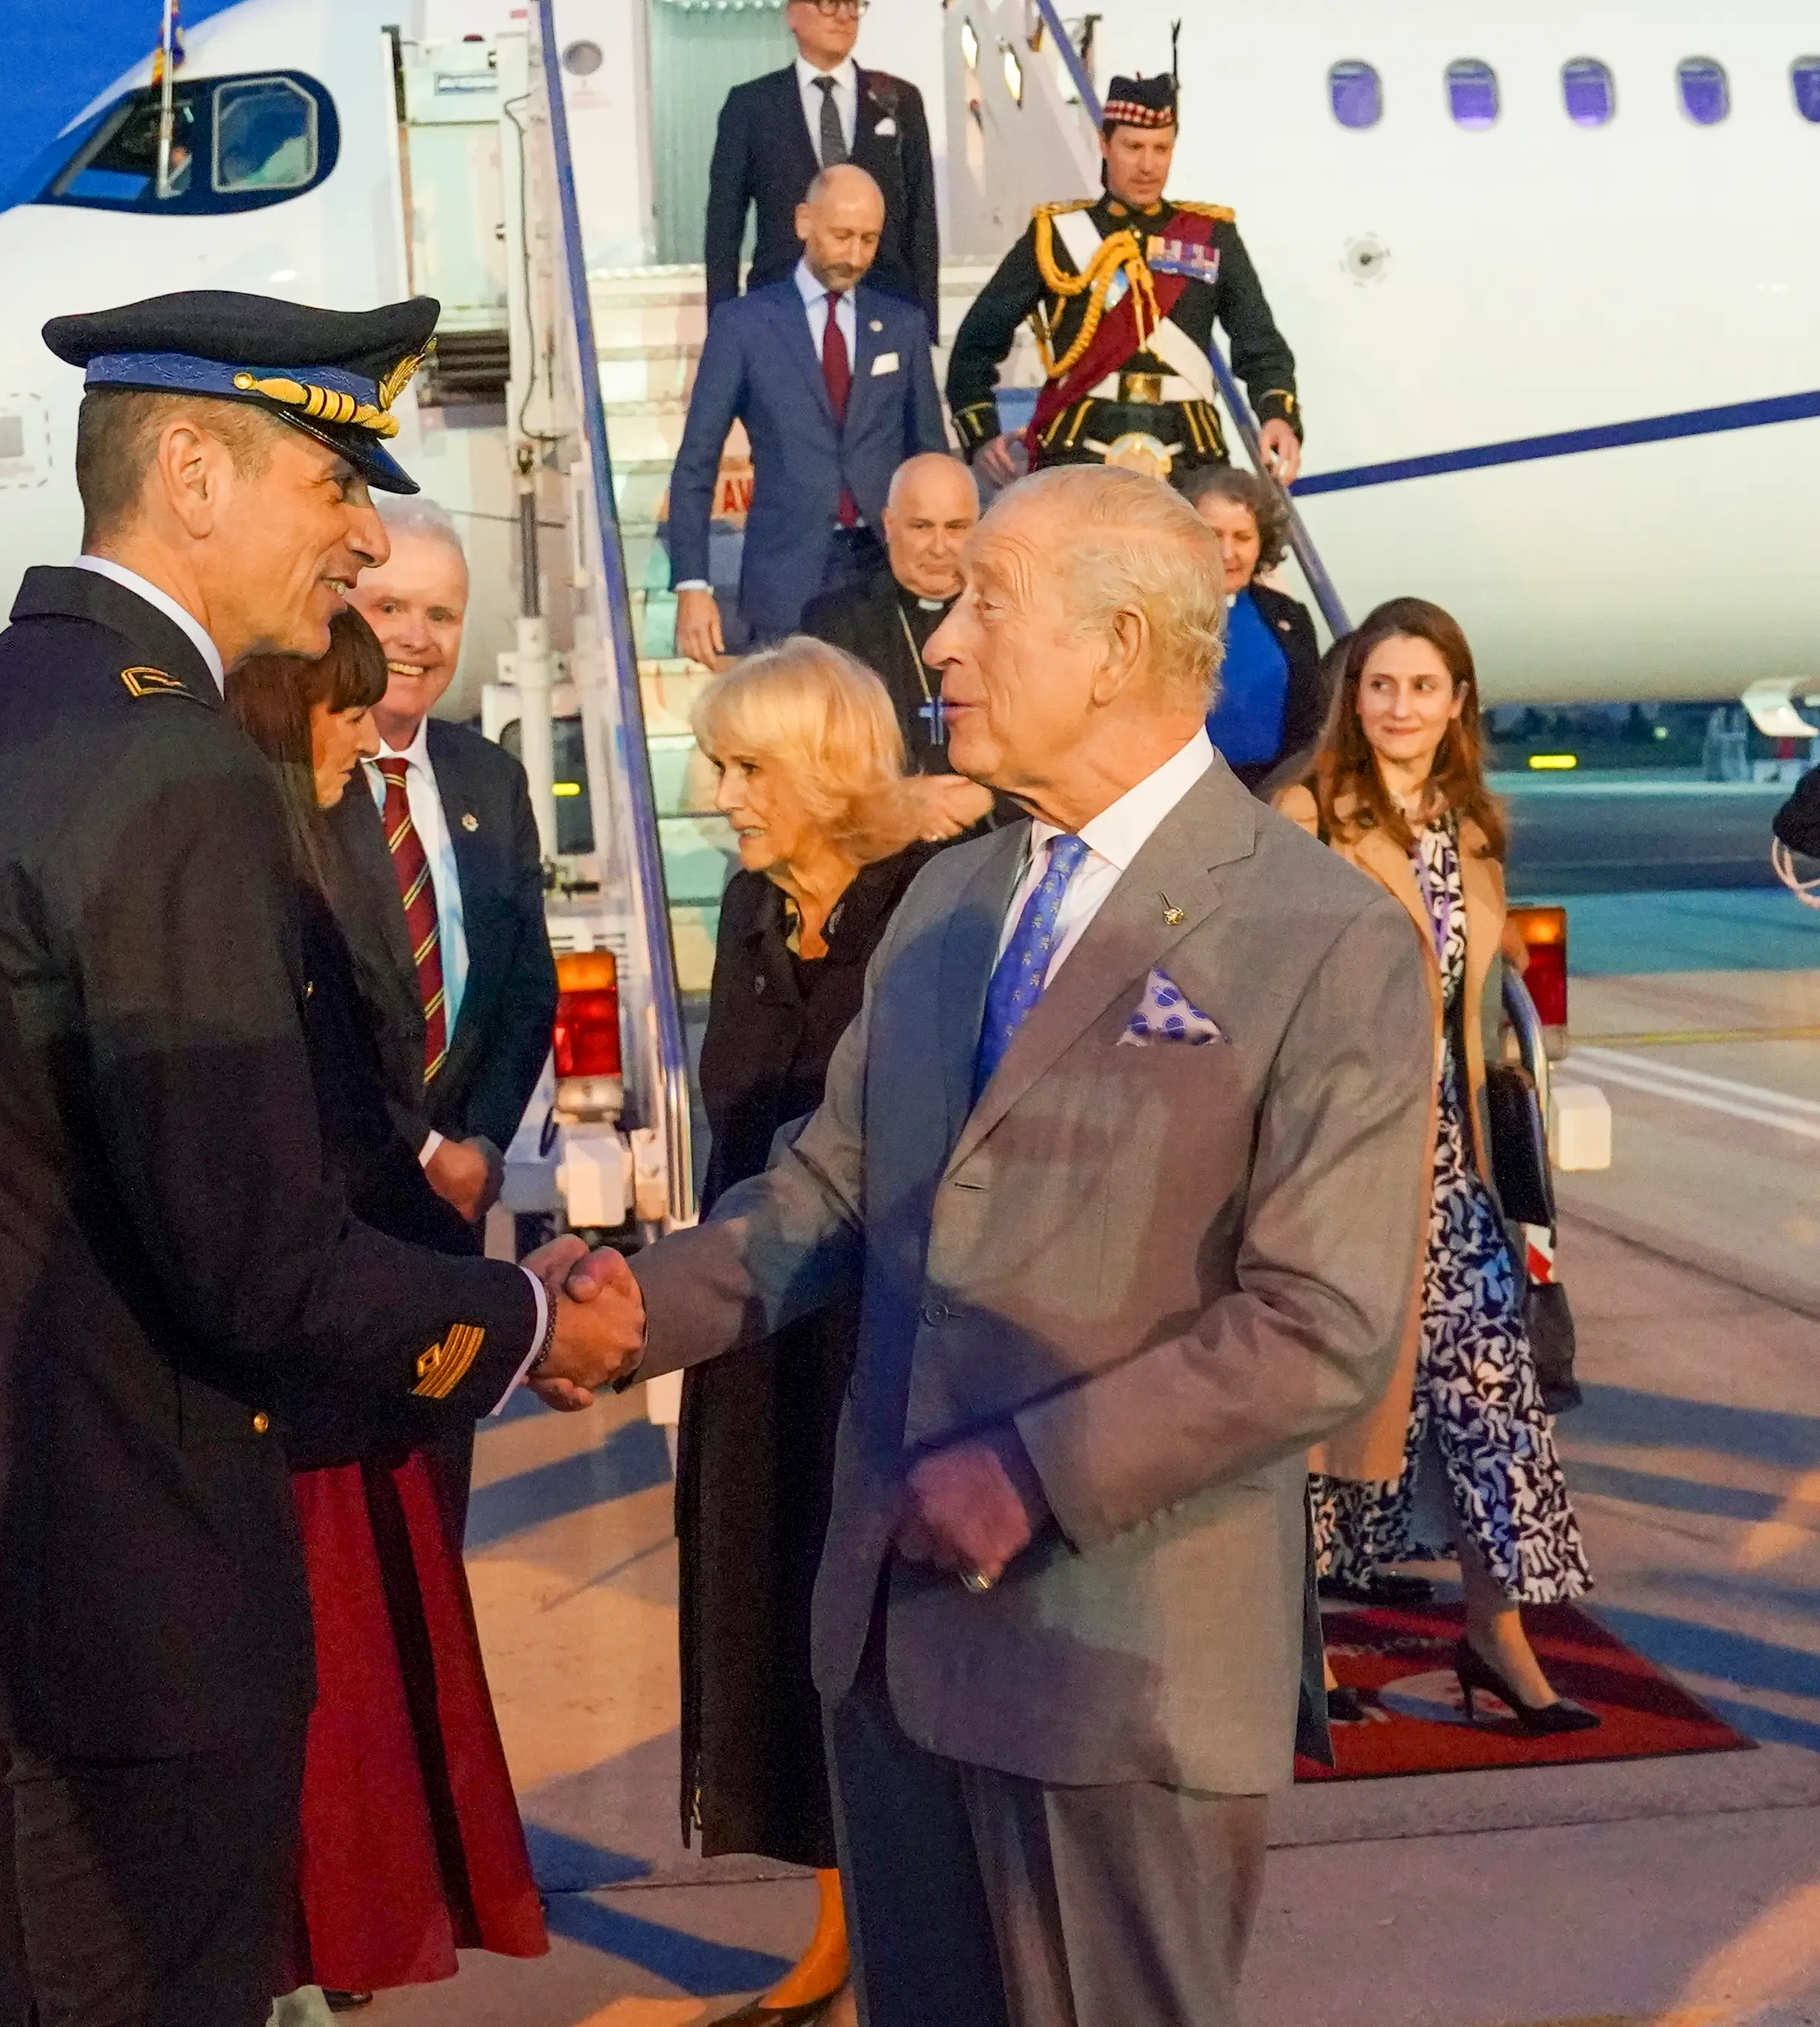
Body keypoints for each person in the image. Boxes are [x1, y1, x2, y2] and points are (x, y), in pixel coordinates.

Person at [0, 289, 642, 2027]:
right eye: (326, 480)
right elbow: (248, 1256)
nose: (356, 531)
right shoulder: (165, 762)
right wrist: (518, 1319)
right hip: (150, 1593)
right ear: (188, 470)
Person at [570, 466, 1437, 2027]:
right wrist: (634, 1303)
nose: (944, 644)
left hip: (1120, 1669)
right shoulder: (954, 898)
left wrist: (1033, 1470)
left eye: (987, 602)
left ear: (1114, 647)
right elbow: (831, 1185)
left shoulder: (1325, 934)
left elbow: (1322, 1320)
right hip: (894, 1647)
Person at [228, 609, 548, 2013]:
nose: (371, 737)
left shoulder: (290, 856)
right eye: (343, 713)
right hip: (303, 1386)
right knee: (322, 1735)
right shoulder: (252, 885)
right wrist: (528, 1315)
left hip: (367, 1342)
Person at [676, 638, 939, 2027]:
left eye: (745, 766)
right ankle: (835, 1933)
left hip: (880, 1331)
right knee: (779, 1623)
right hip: (764, 1322)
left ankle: (907, 1945)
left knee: (882, 1643)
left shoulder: (927, 903)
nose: (719, 794)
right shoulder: (749, 905)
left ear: (830, 767)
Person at [1279, 599, 1599, 1734]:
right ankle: (1297, 1651)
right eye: (1381, 685)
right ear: (1350, 698)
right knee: (1324, 1412)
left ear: (1457, 702)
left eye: (1424, 687)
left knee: (1493, 1400)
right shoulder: (1307, 814)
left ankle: (1496, 1637)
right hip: (1341, 1163)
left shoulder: (1473, 827)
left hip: (1453, 1167)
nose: (1402, 707)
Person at [336, 495, 557, 1237]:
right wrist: (423, 1149)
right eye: (389, 606)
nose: (415, 638)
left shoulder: (494, 781)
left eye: (441, 615)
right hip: (336, 1203)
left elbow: (527, 990)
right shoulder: (297, 782)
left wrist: (479, 1148)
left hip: (456, 1208)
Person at [947, 73, 1302, 488]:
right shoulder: (1056, 235)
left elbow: (1260, 343)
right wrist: (982, 435)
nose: (1148, 165)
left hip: (1190, 449)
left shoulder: (1211, 235)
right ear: (1104, 143)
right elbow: (976, 344)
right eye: (1133, 147)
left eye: (1161, 149)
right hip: (1078, 447)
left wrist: (1277, 414)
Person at [671, 166, 945, 668]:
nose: (855, 255)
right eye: (841, 236)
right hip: (785, 578)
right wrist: (693, 584)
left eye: (868, 240)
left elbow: (931, 455)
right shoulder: (744, 326)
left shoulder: (902, 326)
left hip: (885, 571)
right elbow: (697, 461)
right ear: (803, 221)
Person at [705, 0, 936, 318]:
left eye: (854, 5)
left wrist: (926, 324)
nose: (844, 15)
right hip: (781, 309)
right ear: (791, 14)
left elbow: (922, 220)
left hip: (884, 304)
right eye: (829, 3)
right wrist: (724, 330)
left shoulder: (899, 101)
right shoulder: (750, 106)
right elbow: (723, 232)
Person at [802, 451, 994, 789]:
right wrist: (904, 801)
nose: (939, 548)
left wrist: (986, 798)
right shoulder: (834, 624)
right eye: (921, 527)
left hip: (1000, 828)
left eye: (956, 528)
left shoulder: (1004, 619)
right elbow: (823, 756)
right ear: (889, 525)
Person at [1178, 464, 1329, 789]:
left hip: (1275, 795)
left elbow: (1311, 721)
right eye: (1212, 535)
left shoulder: (1291, 616)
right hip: (1182, 798)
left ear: (1263, 542)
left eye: (1242, 537)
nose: (1227, 552)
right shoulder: (1156, 613)